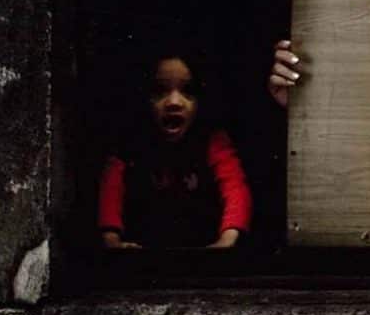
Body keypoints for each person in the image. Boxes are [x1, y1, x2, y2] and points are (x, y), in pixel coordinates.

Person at [98, 54, 253, 251]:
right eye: (160, 91)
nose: (174, 102)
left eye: (187, 91)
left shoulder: (212, 140)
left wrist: (227, 239)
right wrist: (112, 240)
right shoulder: (129, 141)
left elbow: (234, 187)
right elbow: (111, 189)